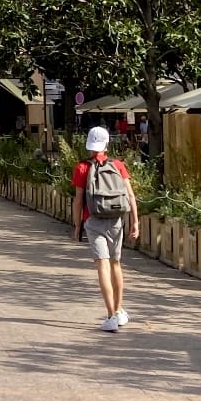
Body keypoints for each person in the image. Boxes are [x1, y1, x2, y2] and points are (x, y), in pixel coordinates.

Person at [71, 126, 140, 333]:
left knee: (102, 265)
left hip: (93, 220)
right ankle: (118, 312)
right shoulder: (118, 165)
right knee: (116, 264)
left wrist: (76, 225)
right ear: (107, 144)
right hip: (117, 219)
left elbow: (78, 200)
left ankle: (109, 315)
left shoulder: (82, 167)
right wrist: (135, 222)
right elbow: (130, 196)